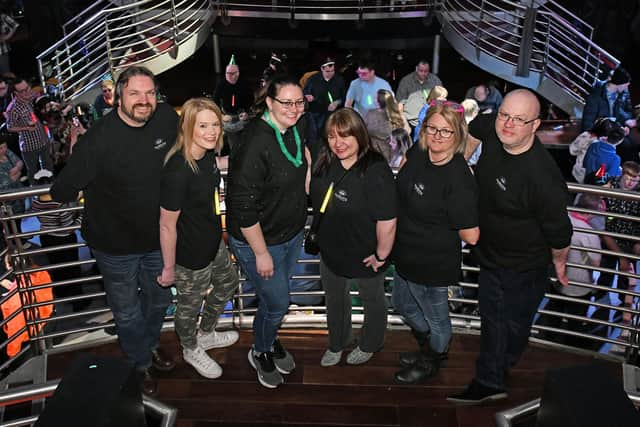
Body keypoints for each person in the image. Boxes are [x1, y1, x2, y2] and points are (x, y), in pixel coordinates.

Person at [50, 66, 179, 396]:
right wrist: (74, 153)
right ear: (118, 96)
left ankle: (147, 347)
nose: (144, 100)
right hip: (113, 245)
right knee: (127, 313)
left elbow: (185, 154)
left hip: (157, 239)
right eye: (135, 93)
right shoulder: (99, 138)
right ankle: (138, 363)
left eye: (149, 93)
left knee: (159, 300)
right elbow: (64, 189)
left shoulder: (166, 118)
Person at [448, 89, 572, 404]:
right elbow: (469, 128)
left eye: (519, 120)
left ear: (535, 125)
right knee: (506, 321)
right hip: (491, 251)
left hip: (523, 262)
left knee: (499, 321)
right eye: (505, 114)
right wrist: (459, 162)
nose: (508, 124)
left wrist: (559, 263)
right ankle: (501, 367)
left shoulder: (542, 177)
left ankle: (490, 381)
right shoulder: (493, 126)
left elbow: (559, 231)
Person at [226, 75, 311, 389]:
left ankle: (269, 336)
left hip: (289, 234)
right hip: (258, 241)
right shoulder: (253, 142)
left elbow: (304, 155)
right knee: (277, 302)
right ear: (270, 103)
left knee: (273, 300)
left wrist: (307, 182)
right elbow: (242, 206)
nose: (294, 108)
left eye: (299, 102)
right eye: (286, 102)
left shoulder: (297, 126)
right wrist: (261, 253)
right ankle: (260, 349)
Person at [391, 101, 478, 384]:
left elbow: (471, 235)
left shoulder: (459, 176)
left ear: (458, 135)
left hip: (433, 262)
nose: (438, 136)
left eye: (446, 131)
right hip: (405, 251)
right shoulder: (420, 151)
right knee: (403, 305)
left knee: (438, 319)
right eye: (432, 129)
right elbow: (404, 176)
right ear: (424, 129)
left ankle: (432, 360)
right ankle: (430, 347)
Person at [158, 97, 239, 379]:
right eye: (203, 125)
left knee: (228, 284)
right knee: (188, 308)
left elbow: (216, 166)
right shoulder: (178, 170)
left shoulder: (206, 157)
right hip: (190, 256)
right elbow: (167, 225)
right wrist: (169, 268)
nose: (212, 131)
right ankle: (190, 347)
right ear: (188, 127)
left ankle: (206, 333)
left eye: (215, 124)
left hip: (213, 242)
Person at [310, 108, 396, 368]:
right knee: (335, 301)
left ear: (359, 135)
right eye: (332, 136)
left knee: (373, 301)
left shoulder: (375, 170)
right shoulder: (325, 160)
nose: (339, 143)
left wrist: (382, 254)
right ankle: (337, 342)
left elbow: (388, 219)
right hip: (331, 249)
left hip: (365, 252)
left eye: (345, 136)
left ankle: (371, 343)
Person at [6, 77, 53, 184]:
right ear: (16, 93)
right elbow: (9, 127)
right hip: (29, 146)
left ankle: (51, 188)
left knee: (48, 165)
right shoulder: (13, 108)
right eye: (22, 91)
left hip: (43, 139)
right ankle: (35, 194)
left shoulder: (33, 95)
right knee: (33, 171)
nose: (27, 92)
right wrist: (26, 128)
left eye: (27, 88)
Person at [303, 56, 346, 139]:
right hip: (316, 117)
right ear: (322, 69)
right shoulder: (312, 80)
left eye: (332, 71)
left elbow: (344, 97)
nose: (330, 73)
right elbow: (304, 94)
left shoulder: (339, 80)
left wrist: (337, 102)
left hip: (333, 116)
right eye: (327, 71)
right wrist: (307, 97)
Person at [363, 89, 410, 165]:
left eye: (375, 97)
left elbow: (363, 131)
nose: (374, 99)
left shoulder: (370, 114)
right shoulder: (397, 115)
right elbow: (407, 131)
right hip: (393, 156)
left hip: (375, 154)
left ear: (378, 101)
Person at [212, 56, 252, 136]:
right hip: (227, 115)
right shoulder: (221, 84)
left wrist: (246, 112)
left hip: (241, 114)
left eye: (234, 73)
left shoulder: (244, 84)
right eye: (229, 73)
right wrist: (221, 115)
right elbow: (215, 101)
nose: (231, 76)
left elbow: (250, 99)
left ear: (238, 73)